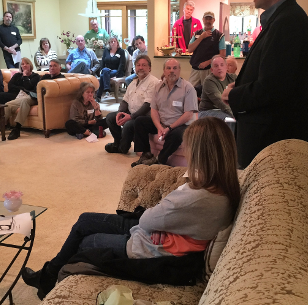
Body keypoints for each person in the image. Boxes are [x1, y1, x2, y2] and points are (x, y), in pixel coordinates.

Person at [21, 117, 241, 300]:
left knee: (87, 240)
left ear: (201, 154)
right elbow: (174, 216)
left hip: (153, 244)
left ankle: (48, 278)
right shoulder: (221, 185)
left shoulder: (199, 197)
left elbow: (147, 221)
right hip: (161, 233)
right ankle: (48, 275)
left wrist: (159, 225)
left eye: (189, 147)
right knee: (85, 220)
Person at [222, 0, 308, 169]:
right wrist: (240, 85)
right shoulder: (280, 20)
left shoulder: (288, 23)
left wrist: (234, 94)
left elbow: (273, 88)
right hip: (265, 138)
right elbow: (272, 74)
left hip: (271, 141)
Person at [131, 59, 198, 167]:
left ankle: (159, 160)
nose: (172, 71)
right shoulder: (158, 87)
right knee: (139, 121)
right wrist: (159, 127)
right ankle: (146, 155)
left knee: (176, 134)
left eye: (175, 68)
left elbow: (188, 114)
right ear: (164, 71)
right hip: (163, 123)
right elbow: (154, 110)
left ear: (179, 70)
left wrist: (170, 128)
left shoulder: (188, 88)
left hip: (181, 125)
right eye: (169, 68)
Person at [105, 55, 159, 154]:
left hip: (143, 117)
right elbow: (125, 101)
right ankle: (118, 143)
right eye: (138, 65)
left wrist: (131, 116)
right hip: (131, 112)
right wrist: (120, 112)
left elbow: (148, 105)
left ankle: (123, 148)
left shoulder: (153, 82)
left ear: (149, 68)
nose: (141, 67)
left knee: (129, 124)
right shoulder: (133, 82)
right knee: (110, 117)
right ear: (135, 68)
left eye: (144, 65)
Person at [0, 58, 40, 137]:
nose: (24, 65)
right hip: (16, 94)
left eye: (26, 64)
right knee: (6, 104)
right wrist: (22, 88)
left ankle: (17, 129)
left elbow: (29, 87)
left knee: (5, 97)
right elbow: (11, 86)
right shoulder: (17, 75)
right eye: (22, 64)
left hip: (29, 96)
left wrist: (25, 76)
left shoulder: (35, 76)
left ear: (30, 65)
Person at [6, 59, 65, 140]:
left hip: (42, 100)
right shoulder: (45, 76)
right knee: (8, 105)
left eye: (55, 66)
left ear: (60, 68)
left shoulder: (61, 79)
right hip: (33, 96)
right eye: (50, 66)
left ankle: (17, 128)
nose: (52, 68)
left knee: (25, 101)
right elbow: (35, 87)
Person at [187, 11, 226, 87]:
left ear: (213, 20)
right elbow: (190, 49)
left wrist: (208, 62)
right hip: (195, 69)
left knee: (208, 92)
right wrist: (201, 37)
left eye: (210, 19)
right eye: (206, 19)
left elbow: (222, 55)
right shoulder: (196, 34)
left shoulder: (219, 35)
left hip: (210, 70)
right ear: (203, 19)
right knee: (190, 91)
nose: (208, 21)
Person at [199, 55, 235, 123]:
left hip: (224, 110)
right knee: (229, 119)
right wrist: (235, 114)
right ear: (212, 70)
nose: (219, 68)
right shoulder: (209, 81)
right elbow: (220, 102)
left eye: (222, 65)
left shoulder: (233, 78)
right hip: (208, 111)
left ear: (226, 67)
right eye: (216, 66)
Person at [96, 37, 126, 101]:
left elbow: (122, 64)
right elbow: (103, 62)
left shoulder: (121, 51)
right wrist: (101, 70)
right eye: (111, 42)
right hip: (107, 71)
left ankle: (99, 95)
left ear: (117, 42)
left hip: (117, 71)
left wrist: (117, 75)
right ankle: (107, 90)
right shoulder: (106, 51)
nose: (113, 43)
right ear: (109, 43)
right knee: (104, 71)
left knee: (103, 74)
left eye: (114, 41)